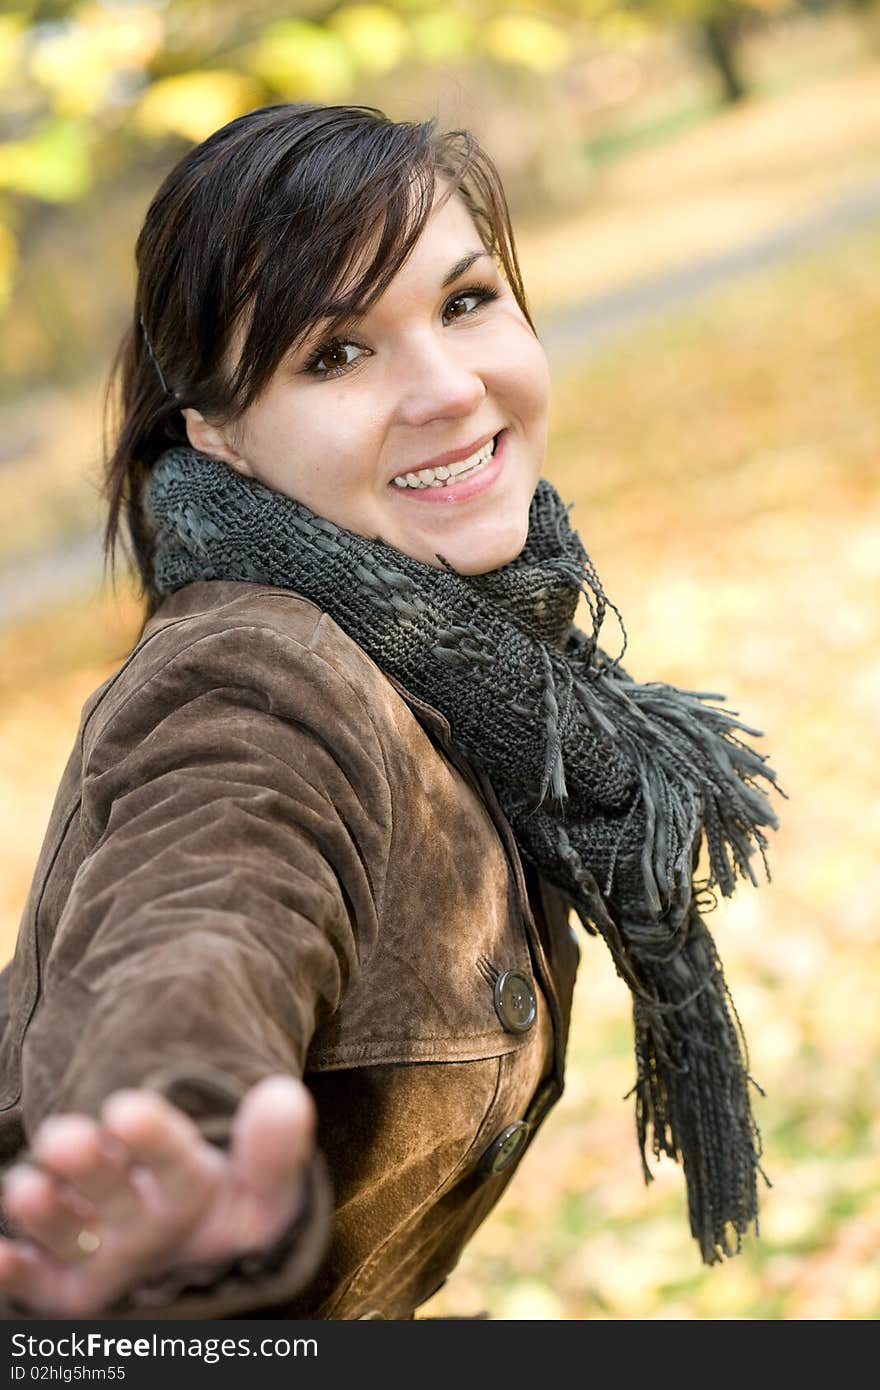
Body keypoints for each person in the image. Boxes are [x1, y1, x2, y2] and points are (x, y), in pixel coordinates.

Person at [0, 102, 779, 1320]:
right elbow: (202, 915)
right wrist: (180, 1136)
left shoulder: (468, 655)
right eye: (334, 355)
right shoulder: (250, 678)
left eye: (464, 302)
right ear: (223, 440)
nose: (447, 388)